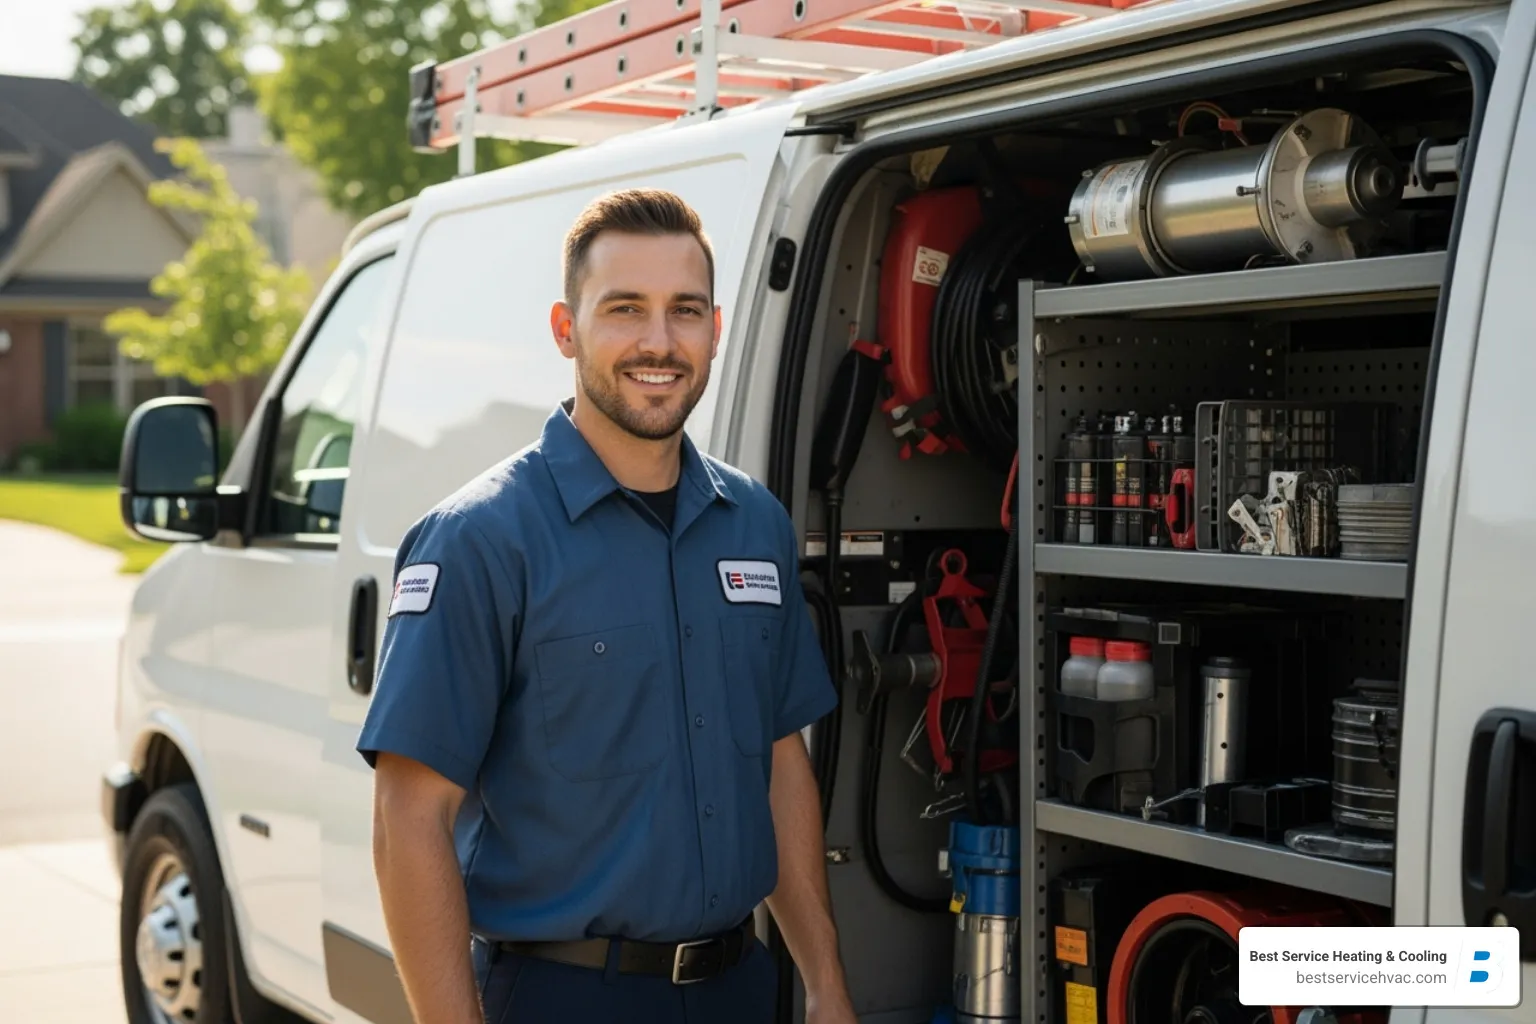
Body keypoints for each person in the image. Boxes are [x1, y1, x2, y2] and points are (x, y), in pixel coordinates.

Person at [355, 188, 858, 1024]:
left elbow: (778, 763)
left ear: (715, 330)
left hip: (740, 989)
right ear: (566, 329)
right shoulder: (480, 540)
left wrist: (826, 983)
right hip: (564, 995)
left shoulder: (755, 524)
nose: (659, 342)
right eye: (625, 309)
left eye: (684, 311)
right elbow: (409, 819)